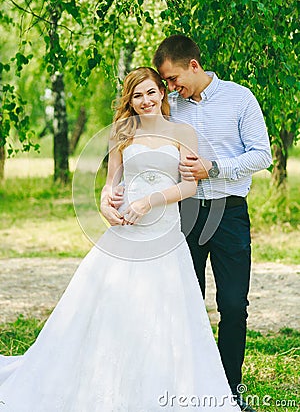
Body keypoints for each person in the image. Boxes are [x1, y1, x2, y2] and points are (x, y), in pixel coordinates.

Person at [0, 67, 240, 411]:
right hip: (125, 231)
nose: (145, 101)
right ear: (131, 99)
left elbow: (189, 186)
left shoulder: (183, 131)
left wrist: (148, 201)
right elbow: (112, 181)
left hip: (164, 235)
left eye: (151, 92)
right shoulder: (123, 131)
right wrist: (104, 201)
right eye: (137, 95)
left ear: (163, 92)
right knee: (108, 307)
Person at [108, 38, 272, 412]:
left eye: (172, 79)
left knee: (233, 305)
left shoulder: (239, 98)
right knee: (184, 301)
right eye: (165, 82)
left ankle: (230, 387)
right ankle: (182, 383)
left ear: (194, 66)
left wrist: (213, 168)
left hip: (229, 211)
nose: (170, 87)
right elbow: (136, 141)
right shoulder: (170, 107)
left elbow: (262, 154)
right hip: (182, 214)